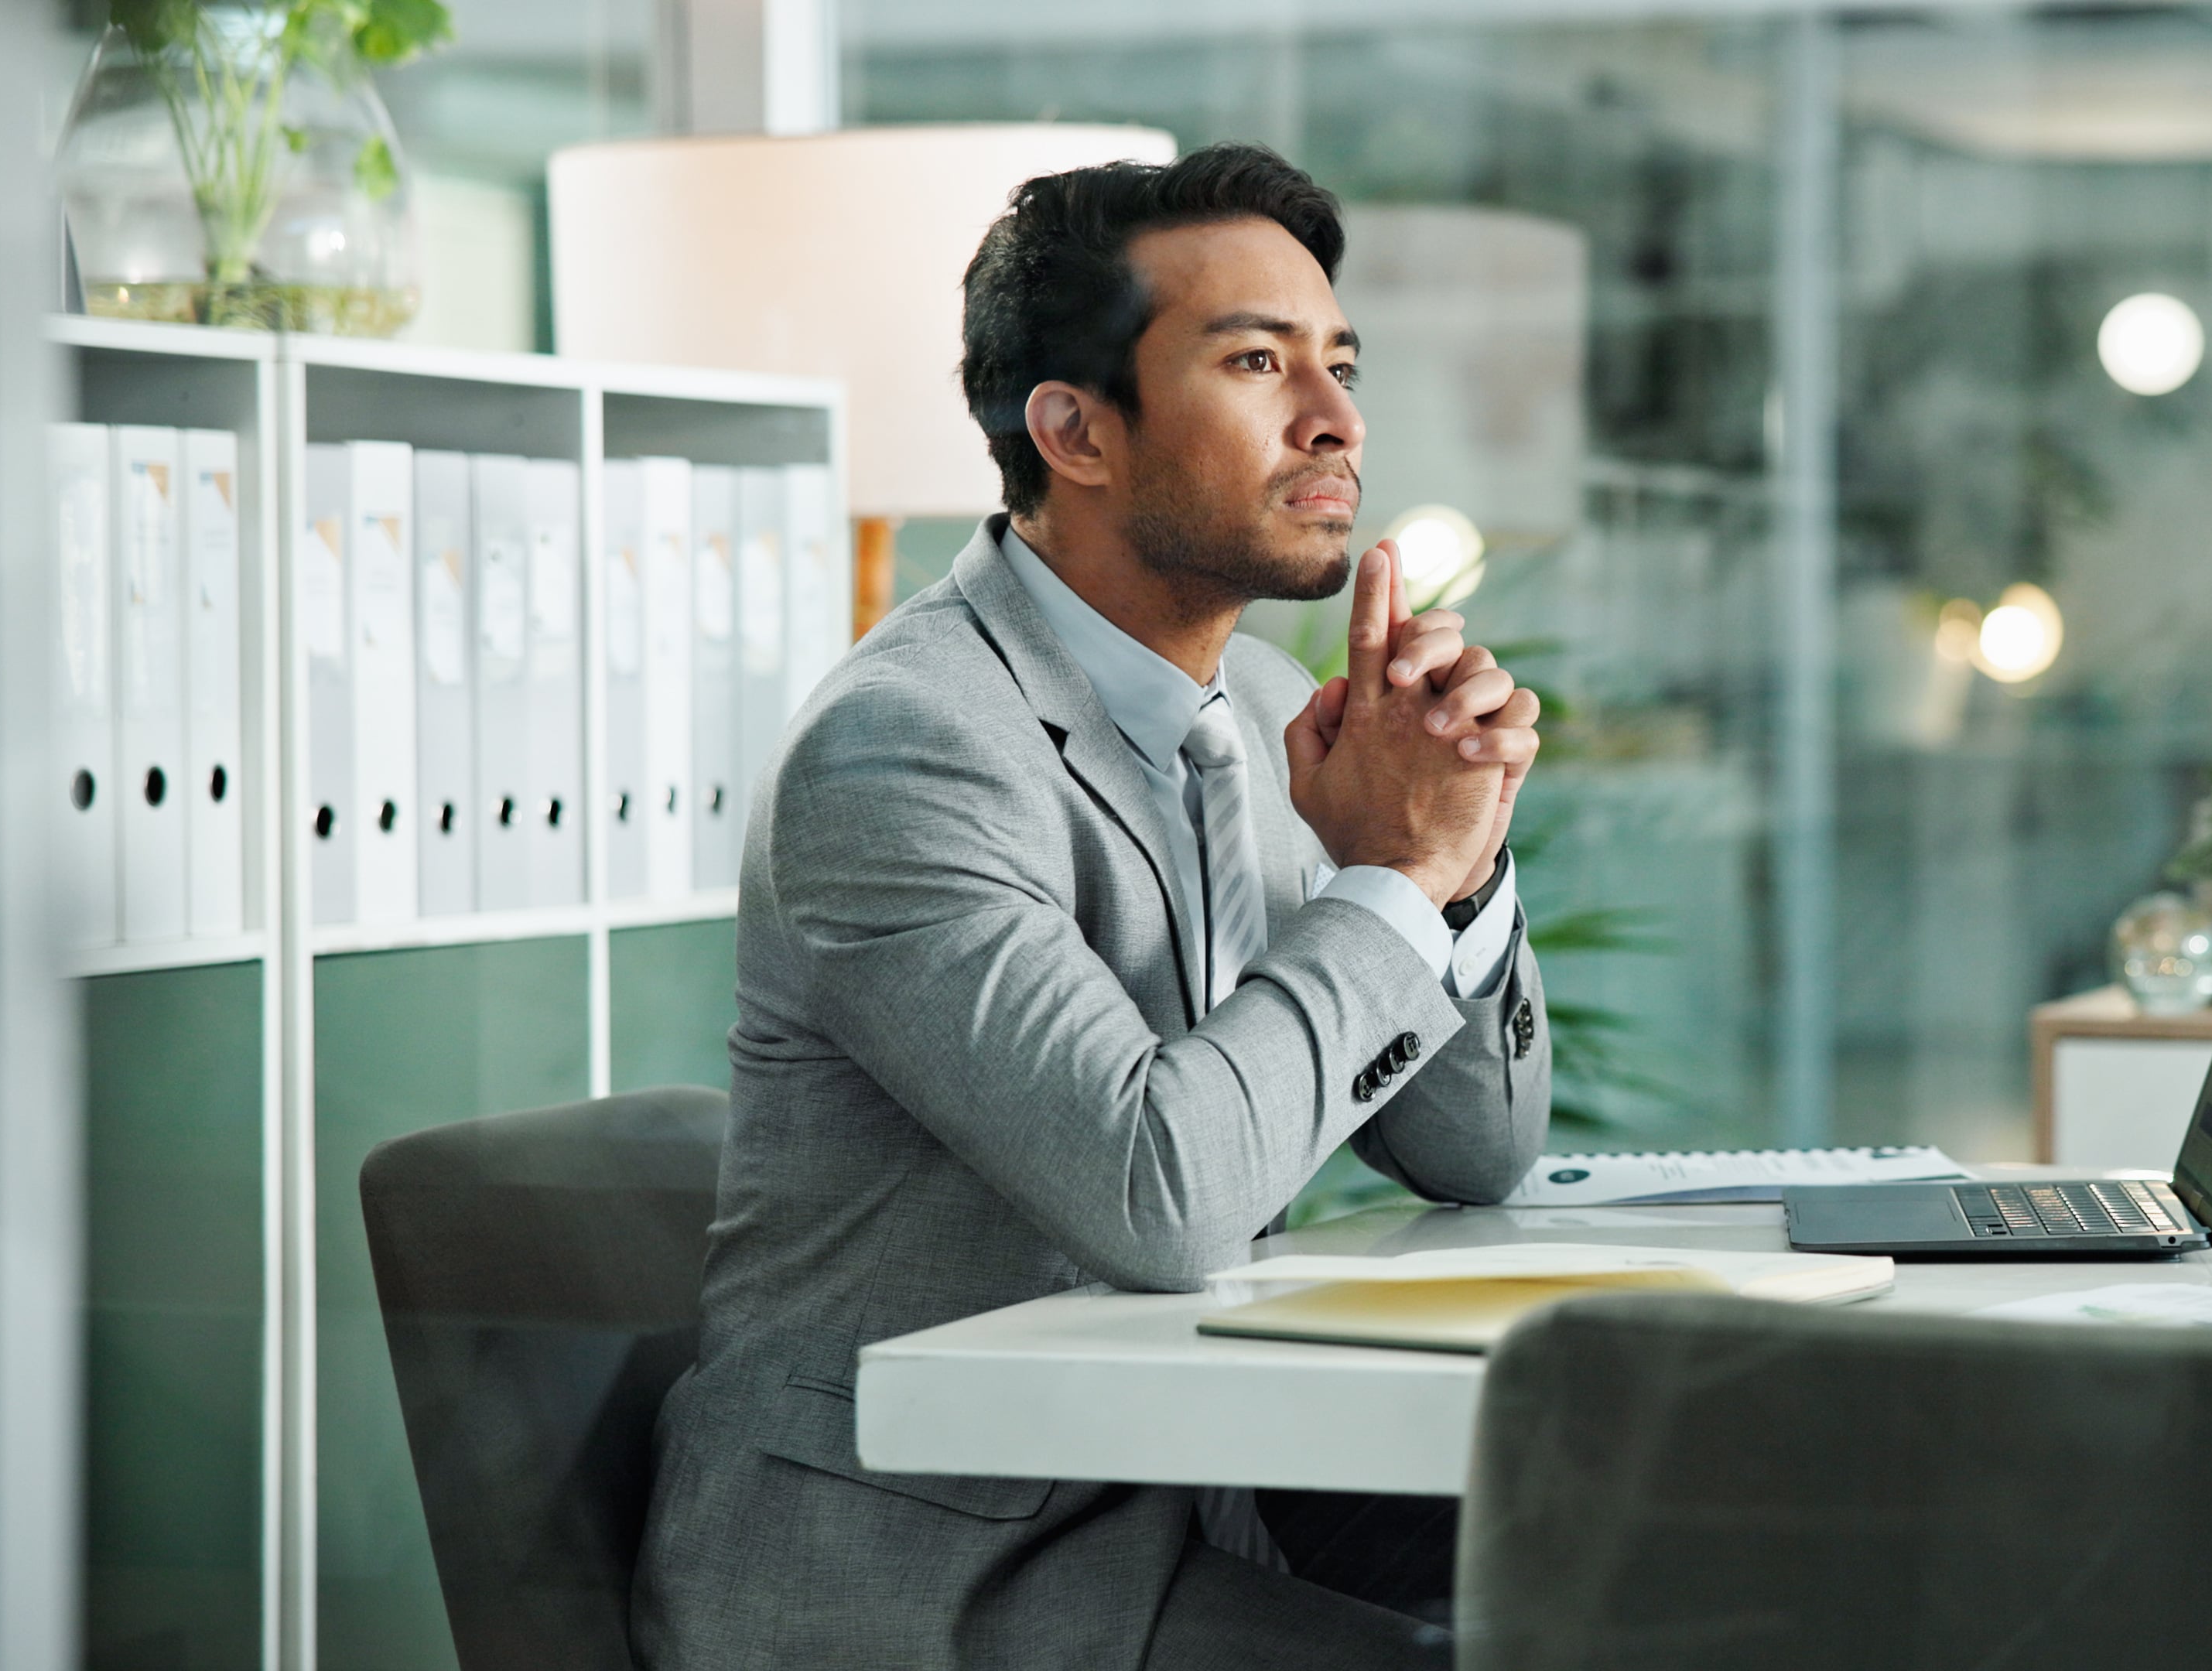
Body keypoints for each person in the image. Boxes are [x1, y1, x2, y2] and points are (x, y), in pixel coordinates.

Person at [631, 144, 1552, 1671]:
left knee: (1670, 1574)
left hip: (1204, 1489)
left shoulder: (1263, 708)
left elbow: (1476, 1151)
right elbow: (1162, 1195)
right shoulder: (903, 745)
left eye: (1337, 363)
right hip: (927, 1576)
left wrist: (1456, 854)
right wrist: (1389, 878)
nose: (1333, 421)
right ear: (1073, 430)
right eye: (1256, 362)